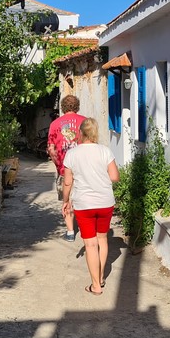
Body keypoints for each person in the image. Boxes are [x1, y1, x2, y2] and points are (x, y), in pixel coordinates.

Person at [62, 118, 119, 295]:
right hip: (105, 202)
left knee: (90, 245)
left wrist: (65, 201)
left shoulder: (72, 154)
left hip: (84, 204)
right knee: (102, 239)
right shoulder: (105, 151)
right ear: (95, 133)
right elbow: (115, 177)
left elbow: (67, 182)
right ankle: (101, 278)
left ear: (80, 133)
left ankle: (95, 285)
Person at [47, 95, 86, 240]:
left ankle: (70, 232)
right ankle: (84, 227)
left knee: (67, 200)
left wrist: (58, 165)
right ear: (77, 106)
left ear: (63, 107)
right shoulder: (85, 122)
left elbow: (51, 149)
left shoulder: (55, 124)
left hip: (65, 168)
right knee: (82, 199)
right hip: (83, 169)